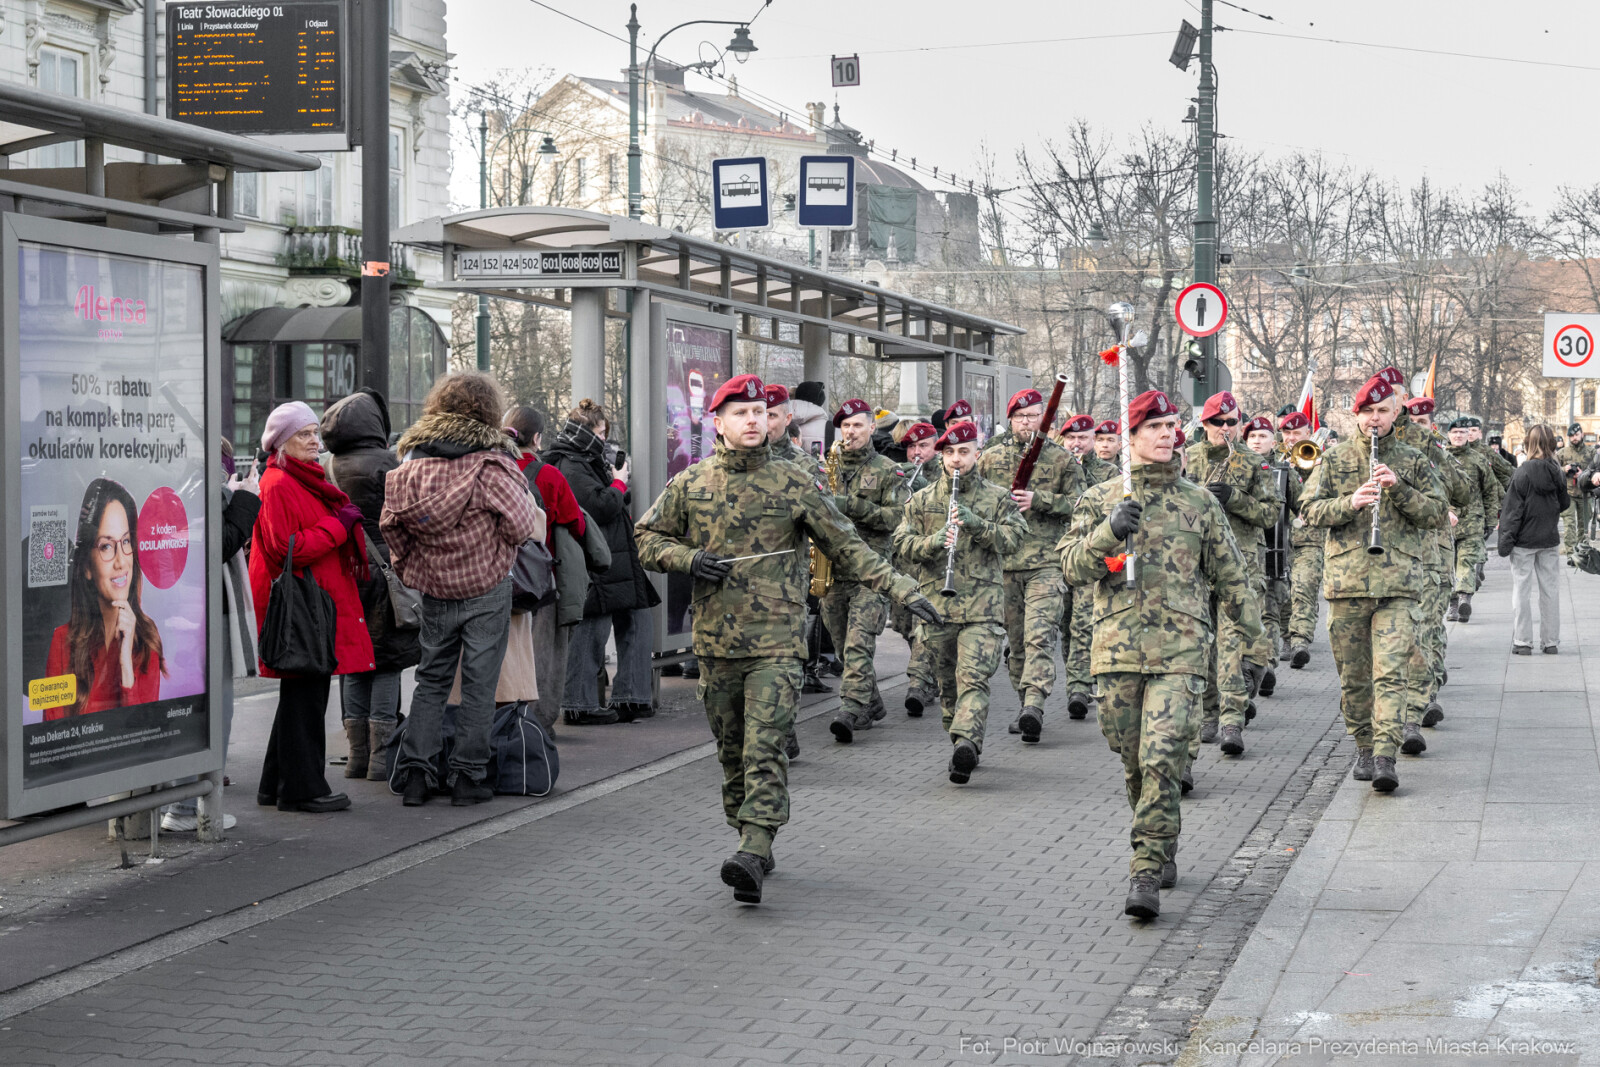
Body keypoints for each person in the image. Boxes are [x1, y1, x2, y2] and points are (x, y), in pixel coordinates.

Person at [635, 374, 941, 904]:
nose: (752, 420)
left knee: (765, 744)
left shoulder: (794, 482)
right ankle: (748, 831)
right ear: (718, 423)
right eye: (740, 413)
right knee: (731, 752)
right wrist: (688, 560)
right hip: (716, 643)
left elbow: (847, 546)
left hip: (777, 642)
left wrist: (903, 587)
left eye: (759, 412)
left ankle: (754, 845)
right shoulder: (692, 483)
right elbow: (646, 537)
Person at [1060, 389, 1264, 919]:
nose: (1166, 433)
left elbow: (1231, 575)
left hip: (1181, 651)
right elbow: (1070, 570)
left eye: (1172, 424)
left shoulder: (1199, 503)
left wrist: (1257, 640)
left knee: (1163, 756)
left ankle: (1144, 868)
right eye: (1153, 426)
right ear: (1131, 438)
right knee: (1132, 760)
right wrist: (1107, 533)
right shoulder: (1101, 500)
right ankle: (1162, 834)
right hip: (1117, 650)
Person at [383, 373, 543, 807]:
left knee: (430, 681)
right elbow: (522, 524)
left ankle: (416, 775)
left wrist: (412, 565)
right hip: (487, 587)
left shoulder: (409, 468)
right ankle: (468, 778)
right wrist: (496, 545)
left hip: (435, 589)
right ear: (488, 412)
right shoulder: (492, 466)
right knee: (478, 686)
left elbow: (390, 527)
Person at [1301, 375, 1445, 794]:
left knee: (1391, 672)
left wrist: (1398, 489)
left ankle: (1385, 754)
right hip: (1347, 584)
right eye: (1367, 413)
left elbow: (1436, 512)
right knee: (1355, 676)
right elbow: (1308, 509)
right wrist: (1350, 503)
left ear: (1396, 413)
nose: (1375, 420)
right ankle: (1364, 745)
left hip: (1398, 582)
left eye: (1382, 411)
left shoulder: (1414, 459)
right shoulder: (1335, 458)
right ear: (1357, 416)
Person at [250, 402, 372, 814]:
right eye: (304, 435)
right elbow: (288, 549)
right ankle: (302, 788)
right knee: (306, 695)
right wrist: (338, 527)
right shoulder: (280, 484)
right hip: (301, 608)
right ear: (283, 442)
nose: (315, 442)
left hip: (311, 604)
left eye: (315, 433)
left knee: (299, 696)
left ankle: (275, 784)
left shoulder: (302, 480)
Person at [893, 421, 1026, 783]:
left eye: (963, 452)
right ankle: (958, 736)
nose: (956, 459)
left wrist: (978, 525)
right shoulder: (922, 501)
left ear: (976, 454)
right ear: (941, 457)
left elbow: (1016, 538)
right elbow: (901, 546)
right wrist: (934, 541)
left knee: (973, 678)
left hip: (982, 609)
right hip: (937, 607)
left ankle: (968, 741)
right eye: (949, 453)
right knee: (948, 685)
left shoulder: (997, 498)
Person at [321, 388, 420, 781]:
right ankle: (382, 757)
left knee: (353, 662)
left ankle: (356, 755)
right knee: (386, 662)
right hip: (385, 572)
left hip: (345, 571)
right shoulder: (389, 463)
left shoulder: (327, 466)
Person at [544, 399, 660, 726]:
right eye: (599, 430)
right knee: (591, 626)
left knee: (635, 617)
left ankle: (630, 697)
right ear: (587, 430)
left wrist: (615, 482)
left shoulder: (584, 458)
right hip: (595, 558)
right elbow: (595, 505)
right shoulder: (571, 463)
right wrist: (620, 481)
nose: (603, 437)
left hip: (612, 556)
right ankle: (579, 704)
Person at [978, 387, 1085, 743]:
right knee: (1018, 643)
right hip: (1004, 563)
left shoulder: (1061, 459)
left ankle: (1035, 704)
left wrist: (1039, 500)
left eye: (1035, 415)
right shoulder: (989, 458)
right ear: (1010, 419)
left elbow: (1080, 504)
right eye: (1021, 416)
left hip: (1046, 562)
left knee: (1041, 636)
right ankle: (1026, 703)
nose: (1028, 422)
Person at [164, 442, 258, 833]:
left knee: (192, 711)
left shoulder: (182, 491)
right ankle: (188, 807)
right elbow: (217, 546)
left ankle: (183, 803)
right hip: (200, 617)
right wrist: (246, 499)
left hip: (184, 617)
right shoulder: (199, 496)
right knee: (210, 713)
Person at [1185, 391, 1276, 759]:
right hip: (1194, 563)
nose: (1225, 429)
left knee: (1232, 645)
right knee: (1201, 645)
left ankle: (1232, 719)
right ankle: (1207, 712)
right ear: (1204, 425)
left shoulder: (1253, 462)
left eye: (1232, 422)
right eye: (1217, 423)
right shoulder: (1185, 459)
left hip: (1239, 565)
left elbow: (1271, 514)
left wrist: (1236, 500)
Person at [822, 397, 908, 743]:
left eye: (857, 425)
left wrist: (852, 505)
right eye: (845, 426)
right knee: (843, 647)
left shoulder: (888, 470)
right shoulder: (825, 468)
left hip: (871, 572)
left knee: (859, 645)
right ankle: (871, 701)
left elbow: (897, 519)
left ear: (872, 427)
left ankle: (851, 709)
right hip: (832, 570)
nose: (850, 432)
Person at [44, 478, 167, 719]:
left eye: (125, 542)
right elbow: (53, 736)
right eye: (106, 546)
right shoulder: (62, 642)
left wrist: (125, 665)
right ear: (87, 567)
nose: (121, 561)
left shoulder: (147, 638)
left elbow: (143, 736)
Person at [504, 405, 586, 731]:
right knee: (543, 654)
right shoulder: (549, 475)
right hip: (537, 580)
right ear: (537, 438)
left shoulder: (495, 467)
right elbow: (575, 523)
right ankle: (536, 725)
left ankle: (504, 720)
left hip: (495, 577)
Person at [1058, 413, 1116, 719]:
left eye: (1083, 438)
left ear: (1093, 440)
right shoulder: (1054, 467)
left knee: (1082, 621)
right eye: (1071, 438)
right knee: (1064, 622)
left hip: (1088, 555)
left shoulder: (1108, 473)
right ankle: (1076, 675)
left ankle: (1078, 686)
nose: (1076, 443)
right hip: (1055, 555)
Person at [1499, 424, 1569, 655]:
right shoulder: (1557, 471)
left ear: (1528, 443)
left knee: (1522, 590)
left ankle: (1523, 641)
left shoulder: (1523, 472)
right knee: (1550, 591)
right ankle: (1550, 642)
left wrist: (1505, 541)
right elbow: (1565, 503)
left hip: (1524, 542)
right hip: (1548, 538)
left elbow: (1512, 511)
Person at [893, 421, 943, 718]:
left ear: (936, 446)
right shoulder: (900, 473)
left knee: (922, 625)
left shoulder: (946, 473)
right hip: (903, 562)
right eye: (911, 447)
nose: (916, 452)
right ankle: (931, 675)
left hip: (931, 563)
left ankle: (919, 684)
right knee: (903, 625)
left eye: (923, 446)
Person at [1245, 413, 1293, 691]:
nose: (1257, 440)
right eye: (1252, 436)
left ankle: (1269, 664)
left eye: (1262, 436)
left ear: (1272, 441)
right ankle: (1255, 664)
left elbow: (1303, 505)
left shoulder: (1285, 471)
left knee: (1271, 612)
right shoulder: (1235, 467)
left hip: (1275, 552)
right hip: (1247, 554)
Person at [1278, 412, 1324, 669]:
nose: (1292, 438)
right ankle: (1287, 636)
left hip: (1309, 538)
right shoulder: (1274, 460)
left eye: (1297, 433)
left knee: (1303, 589)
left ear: (1308, 432)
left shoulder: (1320, 459)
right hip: (1278, 538)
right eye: (1287, 433)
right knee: (1283, 593)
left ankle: (1300, 641)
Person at [1445, 417, 1498, 622]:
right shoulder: (1440, 459)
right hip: (1446, 521)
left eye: (1462, 432)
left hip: (1472, 521)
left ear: (1469, 435)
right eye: (1454, 432)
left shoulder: (1478, 460)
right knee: (1449, 565)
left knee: (1466, 561)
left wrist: (1491, 519)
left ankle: (1464, 598)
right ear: (1449, 435)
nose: (1458, 436)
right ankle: (1453, 604)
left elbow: (1490, 491)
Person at [1556, 422, 1594, 567]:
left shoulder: (1591, 453)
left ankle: (1582, 553)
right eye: (1571, 436)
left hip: (1585, 495)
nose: (1574, 438)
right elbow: (1551, 468)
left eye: (1576, 435)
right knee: (1569, 525)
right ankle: (1571, 554)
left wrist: (1583, 474)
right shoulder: (1563, 453)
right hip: (1568, 494)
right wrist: (1563, 469)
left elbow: (1597, 471)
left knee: (1583, 526)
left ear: (1582, 434)